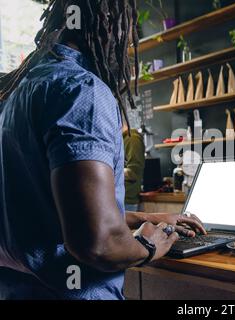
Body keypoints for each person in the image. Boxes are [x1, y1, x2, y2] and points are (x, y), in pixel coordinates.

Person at [0, 0, 205, 300]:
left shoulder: (16, 90)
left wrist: (142, 219)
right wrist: (149, 246)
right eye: (129, 28)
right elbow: (97, 242)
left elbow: (55, 214)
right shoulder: (81, 90)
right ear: (110, 23)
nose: (128, 42)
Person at [122, 121, 146, 212]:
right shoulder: (121, 140)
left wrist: (108, 171)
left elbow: (134, 172)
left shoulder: (132, 139)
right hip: (118, 198)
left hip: (127, 200)